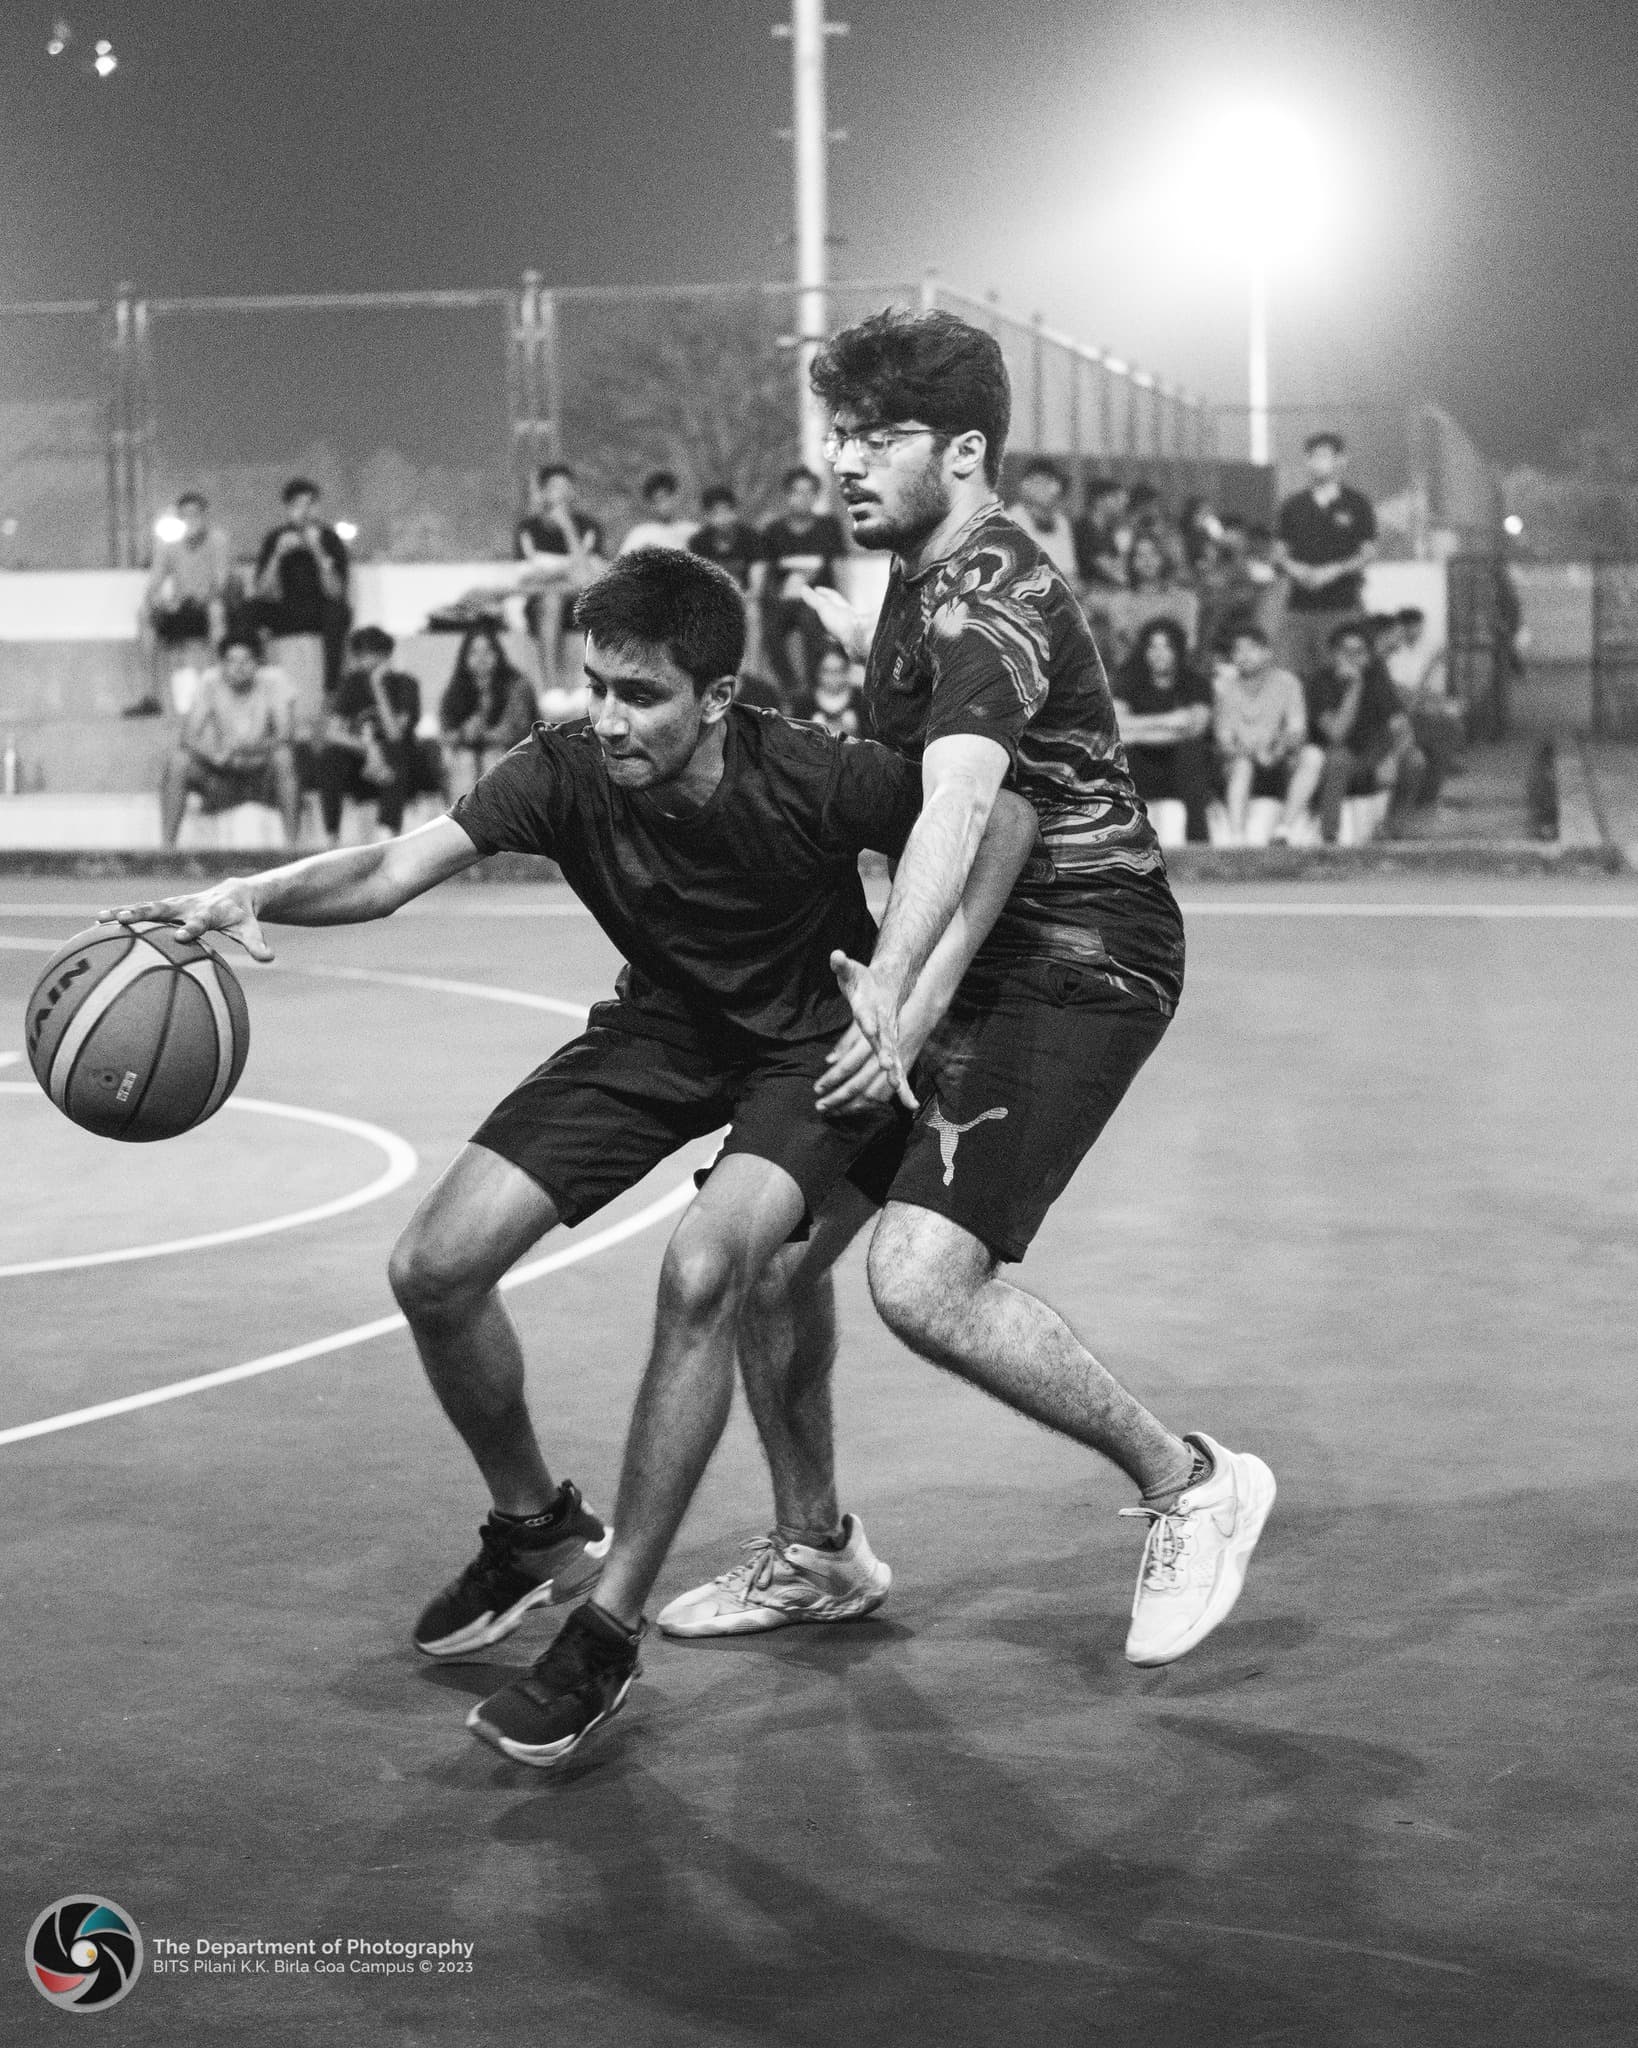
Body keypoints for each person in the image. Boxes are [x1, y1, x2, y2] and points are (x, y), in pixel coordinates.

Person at [108, 548, 1037, 1768]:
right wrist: (255, 893)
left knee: (703, 1270)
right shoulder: (561, 770)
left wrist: (913, 1000)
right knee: (433, 1266)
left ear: (716, 694)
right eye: (593, 684)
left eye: (639, 693)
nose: (606, 716)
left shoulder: (807, 771)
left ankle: (608, 1626)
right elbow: (394, 866)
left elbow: (1005, 815)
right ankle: (538, 1528)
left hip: (809, 1053)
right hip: (658, 1033)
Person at [662, 308, 1274, 1669]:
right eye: (838, 434)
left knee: (921, 1279)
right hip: (984, 954)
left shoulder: (985, 594)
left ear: (967, 449)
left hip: (1083, 956)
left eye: (878, 437)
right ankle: (817, 1551)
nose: (843, 460)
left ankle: (1191, 1483)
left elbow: (962, 807)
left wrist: (890, 991)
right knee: (763, 1255)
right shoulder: (914, 582)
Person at [159, 631, 301, 848]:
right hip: (222, 773)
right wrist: (214, 755)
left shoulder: (275, 680)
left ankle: (292, 848)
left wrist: (245, 749)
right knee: (179, 761)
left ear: (258, 663)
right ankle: (167, 849)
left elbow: (285, 735)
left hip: (262, 772)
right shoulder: (210, 681)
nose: (239, 667)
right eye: (231, 661)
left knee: (284, 757)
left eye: (246, 660)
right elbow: (188, 736)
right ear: (221, 664)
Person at [314, 625, 441, 846]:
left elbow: (394, 734)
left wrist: (377, 687)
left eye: (374, 655)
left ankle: (386, 832)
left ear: (387, 656)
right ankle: (331, 835)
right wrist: (369, 749)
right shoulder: (352, 684)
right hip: (364, 764)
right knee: (332, 756)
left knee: (393, 750)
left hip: (404, 766)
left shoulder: (406, 684)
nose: (367, 662)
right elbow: (332, 733)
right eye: (361, 656)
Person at [1304, 621, 1426, 842]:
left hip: (1374, 752)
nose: (1352, 658)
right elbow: (1336, 734)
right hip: (1336, 753)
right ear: (1333, 654)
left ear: (1369, 655)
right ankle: (1329, 837)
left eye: (1359, 652)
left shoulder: (1377, 676)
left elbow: (1400, 724)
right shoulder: (1320, 683)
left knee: (1414, 760)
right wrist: (1354, 687)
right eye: (1345, 651)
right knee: (1337, 760)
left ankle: (1391, 829)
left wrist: (1392, 757)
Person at [1275, 432, 1377, 679]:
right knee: (1296, 679)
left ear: (1341, 460)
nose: (1317, 462)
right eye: (1312, 457)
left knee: (1339, 678)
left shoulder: (1357, 504)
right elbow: (1278, 554)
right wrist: (1295, 568)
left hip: (1341, 607)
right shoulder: (1293, 505)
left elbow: (1367, 553)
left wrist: (1334, 570)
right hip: (1298, 609)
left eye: (1324, 456)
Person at [1213, 622, 1324, 844]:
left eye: (1251, 649)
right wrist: (1252, 752)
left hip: (1280, 760)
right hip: (1240, 762)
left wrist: (1277, 749)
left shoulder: (1288, 683)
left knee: (1313, 756)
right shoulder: (1225, 688)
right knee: (1242, 764)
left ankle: (1283, 830)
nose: (1244, 655)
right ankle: (1237, 840)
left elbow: (1297, 731)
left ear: (1267, 652)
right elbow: (1225, 742)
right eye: (1238, 650)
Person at [253, 478, 352, 718]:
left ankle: (331, 691)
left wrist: (318, 551)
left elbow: (336, 592)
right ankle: (251, 684)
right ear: (288, 509)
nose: (305, 510)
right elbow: (262, 591)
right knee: (248, 610)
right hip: (286, 611)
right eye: (298, 505)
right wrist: (277, 556)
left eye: (310, 504)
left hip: (320, 611)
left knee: (339, 612)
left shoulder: (330, 538)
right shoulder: (275, 538)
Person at [1111, 618, 1215, 842]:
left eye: (1166, 646)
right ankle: (1124, 845)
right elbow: (1117, 726)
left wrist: (1137, 731)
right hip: (1142, 768)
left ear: (1177, 650)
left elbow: (1195, 727)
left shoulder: (1195, 683)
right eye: (1152, 647)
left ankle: (1199, 847)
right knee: (1121, 753)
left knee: (1191, 751)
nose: (1159, 653)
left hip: (1182, 771)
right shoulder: (1129, 681)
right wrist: (1171, 721)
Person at [132, 491, 233, 717]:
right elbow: (154, 583)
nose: (191, 519)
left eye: (196, 514)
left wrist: (201, 599)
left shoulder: (218, 540)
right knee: (144, 615)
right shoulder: (169, 544)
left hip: (207, 607)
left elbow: (221, 584)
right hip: (180, 609)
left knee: (217, 611)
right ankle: (150, 697)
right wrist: (157, 600)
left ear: (205, 515)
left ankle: (220, 692)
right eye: (185, 515)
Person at [757, 465, 848, 715]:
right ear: (787, 496)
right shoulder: (773, 531)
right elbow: (765, 577)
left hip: (819, 602)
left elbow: (839, 569)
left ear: (816, 496)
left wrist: (842, 605)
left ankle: (811, 689)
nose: (803, 498)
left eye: (809, 492)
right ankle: (790, 688)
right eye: (796, 492)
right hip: (783, 603)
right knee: (771, 629)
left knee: (810, 623)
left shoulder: (828, 527)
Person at [515, 462, 606, 703]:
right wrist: (569, 572)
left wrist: (566, 527)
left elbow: (588, 579)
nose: (562, 492)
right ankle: (551, 690)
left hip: (582, 601)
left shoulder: (588, 527)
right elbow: (526, 577)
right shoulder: (528, 529)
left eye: (567, 486)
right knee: (551, 600)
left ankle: (593, 687)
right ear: (543, 492)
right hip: (542, 605)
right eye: (555, 486)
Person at [437, 625, 539, 800]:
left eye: (487, 651)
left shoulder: (516, 685)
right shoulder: (457, 689)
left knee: (493, 758)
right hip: (469, 755)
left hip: (513, 752)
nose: (481, 658)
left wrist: (484, 733)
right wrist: (464, 733)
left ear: (497, 654)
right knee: (464, 760)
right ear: (465, 658)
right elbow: (446, 734)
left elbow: (519, 731)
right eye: (474, 652)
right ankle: (463, 821)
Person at [688, 484, 769, 677]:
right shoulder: (699, 542)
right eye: (716, 513)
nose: (722, 518)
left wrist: (746, 595)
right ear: (707, 515)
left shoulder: (750, 537)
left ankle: (753, 675)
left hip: (746, 599)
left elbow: (758, 580)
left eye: (727, 511)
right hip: (713, 601)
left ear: (735, 511)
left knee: (753, 614)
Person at [1097, 529, 1199, 670]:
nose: (1147, 560)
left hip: (1177, 675)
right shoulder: (1120, 601)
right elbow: (1129, 643)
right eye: (1140, 555)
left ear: (1164, 558)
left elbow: (1189, 644)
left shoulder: (1184, 599)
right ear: (1132, 561)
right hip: (1133, 675)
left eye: (1154, 554)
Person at [1003, 458, 1078, 581]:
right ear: (1025, 486)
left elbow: (1070, 571)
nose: (1050, 489)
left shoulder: (1061, 521)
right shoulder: (1010, 521)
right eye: (1042, 482)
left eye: (1053, 483)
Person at [617, 470, 697, 555]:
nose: (664, 505)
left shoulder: (690, 530)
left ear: (676, 497)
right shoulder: (641, 534)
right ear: (651, 505)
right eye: (659, 500)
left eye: (667, 497)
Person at [809, 643, 861, 738]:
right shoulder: (804, 704)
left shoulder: (861, 702)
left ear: (847, 670)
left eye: (838, 670)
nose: (833, 677)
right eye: (827, 671)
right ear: (817, 672)